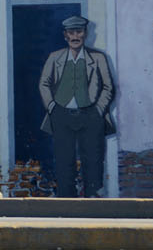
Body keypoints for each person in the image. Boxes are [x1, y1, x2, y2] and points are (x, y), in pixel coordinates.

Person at [38, 15, 115, 197]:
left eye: (78, 32)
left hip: (91, 116)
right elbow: (44, 83)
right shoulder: (55, 57)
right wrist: (52, 107)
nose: (75, 36)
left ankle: (93, 199)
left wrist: (98, 110)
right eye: (71, 33)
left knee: (93, 160)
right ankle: (66, 200)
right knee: (64, 161)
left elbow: (108, 87)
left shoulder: (98, 58)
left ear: (85, 34)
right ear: (65, 35)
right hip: (62, 115)